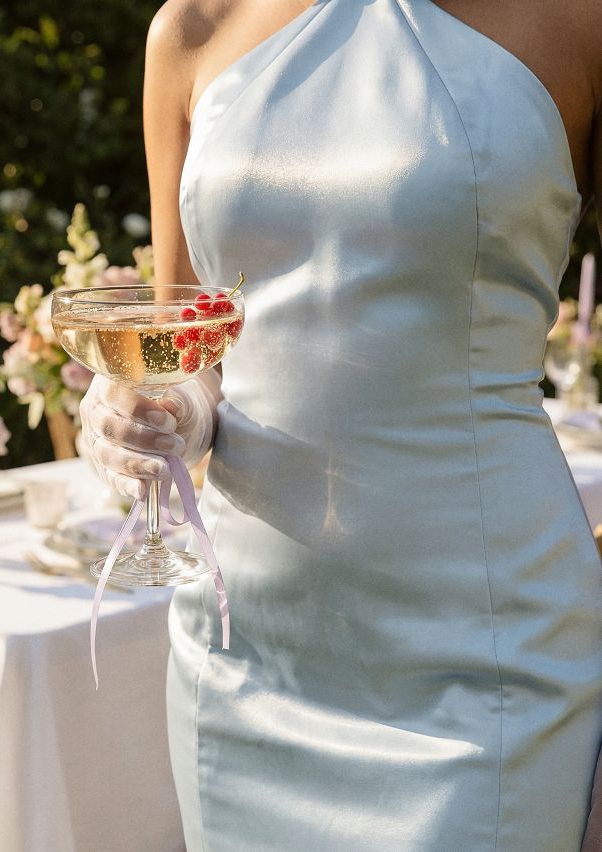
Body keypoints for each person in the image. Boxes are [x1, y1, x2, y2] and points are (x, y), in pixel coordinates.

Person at [80, 0, 602, 848]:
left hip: (491, 646)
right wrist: (162, 411)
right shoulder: (192, 30)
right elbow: (190, 343)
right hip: (244, 649)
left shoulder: (576, 23)